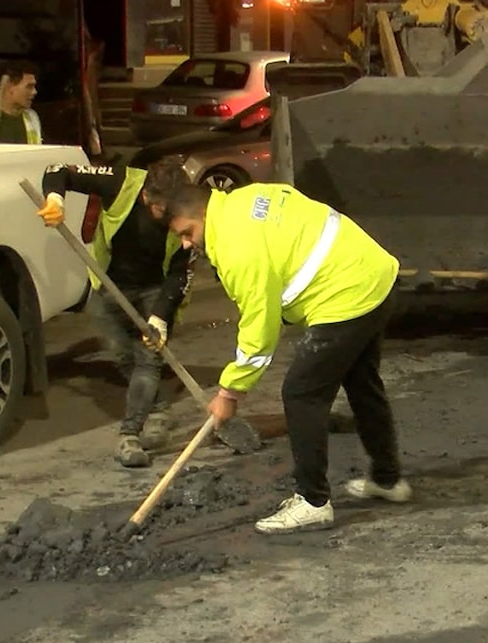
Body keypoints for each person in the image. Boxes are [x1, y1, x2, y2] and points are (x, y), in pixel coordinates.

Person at [162, 181, 411, 535]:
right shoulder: (244, 198)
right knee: (361, 381)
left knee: (301, 393)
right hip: (373, 274)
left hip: (345, 293)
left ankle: (312, 502)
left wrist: (230, 392)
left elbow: (259, 330)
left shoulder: (236, 247)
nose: (187, 243)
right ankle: (388, 480)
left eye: (188, 232)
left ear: (203, 213)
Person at [36, 157, 195, 468]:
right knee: (121, 354)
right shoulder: (120, 182)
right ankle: (160, 407)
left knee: (148, 358)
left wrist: (160, 318)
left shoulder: (183, 210)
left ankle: (129, 435)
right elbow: (57, 171)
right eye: (165, 210)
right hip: (108, 283)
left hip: (156, 289)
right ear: (147, 196)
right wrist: (55, 198)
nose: (172, 219)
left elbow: (180, 272)